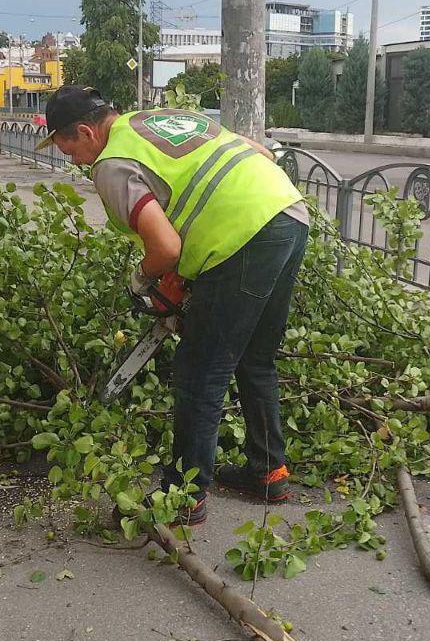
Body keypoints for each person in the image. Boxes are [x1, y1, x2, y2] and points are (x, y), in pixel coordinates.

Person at [37, 86, 309, 526]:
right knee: (256, 359)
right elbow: (259, 153)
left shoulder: (111, 165)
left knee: (200, 372)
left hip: (242, 236)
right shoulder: (155, 119)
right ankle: (268, 472)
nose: (76, 162)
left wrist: (143, 278)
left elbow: (165, 247)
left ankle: (184, 496)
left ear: (86, 132)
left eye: (70, 151)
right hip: (287, 213)